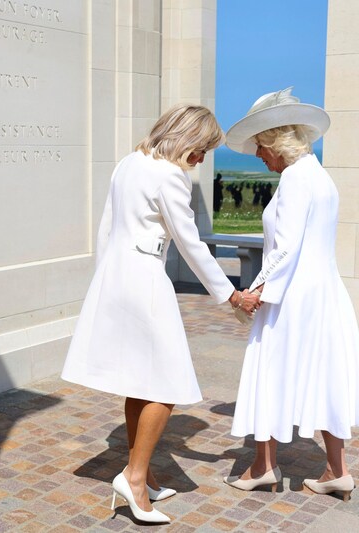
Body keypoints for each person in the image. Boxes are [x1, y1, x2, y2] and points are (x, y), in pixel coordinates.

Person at [61, 104, 261, 523]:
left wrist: (104, 280)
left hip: (116, 276)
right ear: (187, 139)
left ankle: (144, 473)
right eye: (201, 150)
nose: (201, 160)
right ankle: (133, 479)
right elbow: (191, 245)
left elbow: (107, 226)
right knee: (167, 383)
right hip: (145, 279)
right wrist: (230, 296)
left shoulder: (129, 163)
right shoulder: (170, 175)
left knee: (140, 377)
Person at [222, 87, 359, 501]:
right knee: (324, 376)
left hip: (291, 300)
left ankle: (263, 466)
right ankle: (337, 470)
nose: (257, 156)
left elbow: (285, 247)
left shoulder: (292, 179)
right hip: (324, 294)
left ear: (274, 142)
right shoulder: (320, 176)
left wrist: (252, 292)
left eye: (259, 147)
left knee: (269, 371)